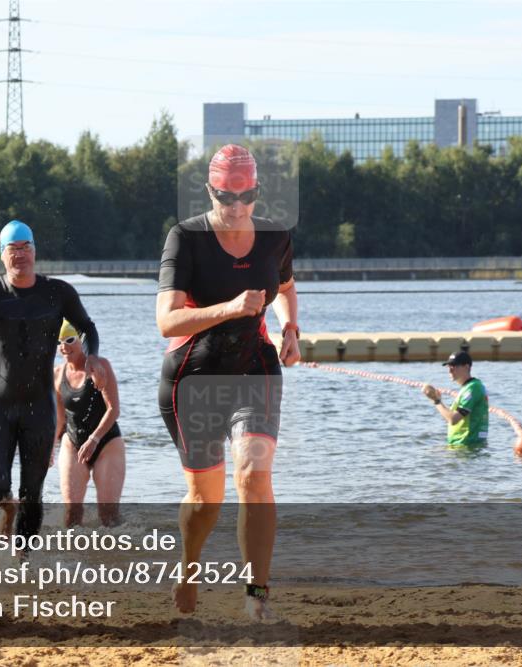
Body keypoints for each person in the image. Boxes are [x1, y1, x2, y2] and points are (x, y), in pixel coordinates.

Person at [156, 144, 301, 620]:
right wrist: (231, 308)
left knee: (254, 477)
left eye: (246, 195)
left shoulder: (275, 236)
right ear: (210, 191)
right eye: (225, 196)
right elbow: (167, 321)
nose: (236, 206)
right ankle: (189, 567)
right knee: (206, 500)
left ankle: (256, 596)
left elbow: (284, 286)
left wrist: (290, 329)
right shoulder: (186, 238)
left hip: (253, 368)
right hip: (193, 376)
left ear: (257, 190)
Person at [0, 219, 102, 546]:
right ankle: (7, 511)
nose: (21, 255)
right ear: (2, 255)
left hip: (39, 407)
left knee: (33, 492)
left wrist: (92, 357)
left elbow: (87, 326)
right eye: (13, 249)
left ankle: (22, 559)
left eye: (26, 247)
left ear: (35, 251)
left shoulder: (58, 292)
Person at [52, 321, 125, 527]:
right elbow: (59, 418)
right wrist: (49, 447)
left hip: (106, 444)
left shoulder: (100, 366)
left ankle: (117, 554)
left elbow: (113, 410)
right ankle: (74, 557)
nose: (64, 346)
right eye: (59, 342)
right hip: (73, 444)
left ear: (81, 340)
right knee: (71, 517)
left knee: (108, 517)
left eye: (69, 340)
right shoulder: (57, 373)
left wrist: (94, 439)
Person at [422, 351, 489, 447]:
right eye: (448, 366)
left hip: (467, 447)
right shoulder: (468, 388)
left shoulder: (473, 388)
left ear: (467, 367)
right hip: (462, 447)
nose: (450, 370)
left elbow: (453, 419)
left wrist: (436, 401)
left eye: (454, 366)